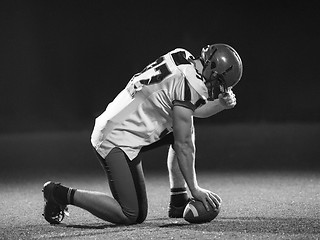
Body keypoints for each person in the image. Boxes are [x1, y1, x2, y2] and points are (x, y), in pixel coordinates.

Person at [42, 43, 243, 225]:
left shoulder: (182, 56)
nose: (216, 89)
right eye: (218, 83)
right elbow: (184, 144)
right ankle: (59, 193)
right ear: (212, 69)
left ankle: (178, 200)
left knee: (181, 130)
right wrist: (196, 189)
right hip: (115, 138)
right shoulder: (188, 86)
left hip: (123, 123)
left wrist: (220, 105)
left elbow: (188, 109)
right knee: (132, 214)